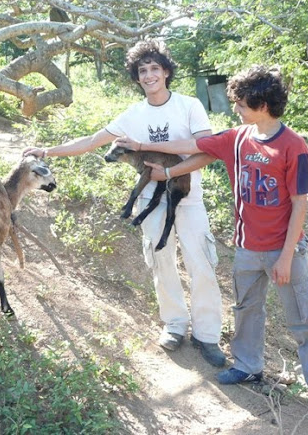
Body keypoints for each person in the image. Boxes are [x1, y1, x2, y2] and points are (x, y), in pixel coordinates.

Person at [116, 65, 308, 422]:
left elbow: (300, 204)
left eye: (240, 101)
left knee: (305, 320)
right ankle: (248, 366)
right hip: (247, 247)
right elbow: (191, 146)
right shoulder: (238, 137)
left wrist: (286, 257)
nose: (234, 106)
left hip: (286, 250)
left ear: (262, 103)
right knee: (246, 312)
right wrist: (144, 146)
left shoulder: (293, 146)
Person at [23, 39, 226, 367]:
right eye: (142, 70)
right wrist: (45, 151)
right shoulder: (133, 113)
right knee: (161, 260)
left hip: (186, 196)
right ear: (136, 76)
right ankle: (174, 324)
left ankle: (207, 335)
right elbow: (91, 141)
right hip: (150, 197)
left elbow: (205, 148)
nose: (149, 75)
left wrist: (169, 170)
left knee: (201, 263)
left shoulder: (189, 106)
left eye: (154, 69)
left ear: (166, 72)